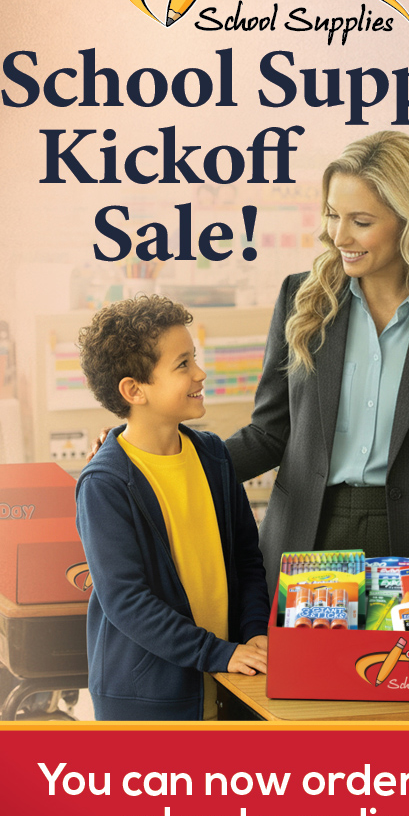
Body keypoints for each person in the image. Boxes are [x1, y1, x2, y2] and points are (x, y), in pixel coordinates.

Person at [226, 131, 409, 589]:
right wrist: (166, 457)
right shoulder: (301, 299)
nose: (338, 236)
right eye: (333, 215)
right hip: (304, 539)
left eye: (360, 221)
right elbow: (267, 433)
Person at [75, 294, 270, 721]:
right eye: (183, 364)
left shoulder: (214, 456)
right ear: (134, 390)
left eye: (194, 358)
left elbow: (247, 560)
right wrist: (217, 652)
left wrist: (256, 631)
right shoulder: (105, 483)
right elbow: (127, 601)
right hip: (149, 702)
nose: (200, 372)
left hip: (233, 683)